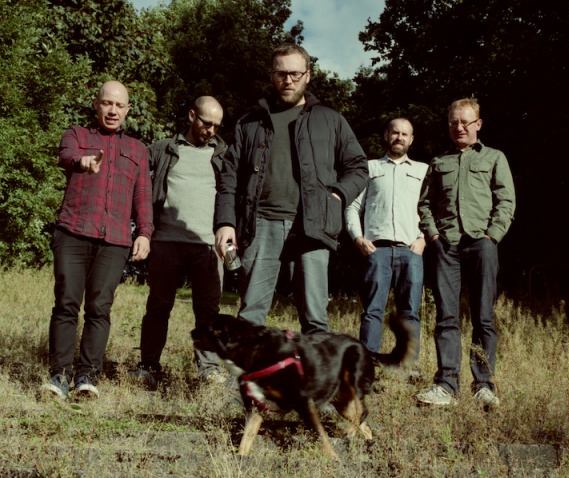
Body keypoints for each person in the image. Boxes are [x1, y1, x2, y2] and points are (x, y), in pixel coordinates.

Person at [214, 44, 368, 333]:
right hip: (260, 224)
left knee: (315, 320)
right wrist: (225, 222)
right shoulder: (250, 122)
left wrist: (337, 195)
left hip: (312, 227)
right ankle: (252, 366)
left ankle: (314, 365)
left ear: (307, 75)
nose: (288, 80)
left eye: (295, 74)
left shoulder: (330, 120)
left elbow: (358, 167)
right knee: (250, 317)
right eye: (281, 73)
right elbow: (229, 176)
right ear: (271, 76)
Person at [41, 81, 153, 400]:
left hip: (115, 240)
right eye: (107, 103)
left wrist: (144, 233)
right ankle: (59, 376)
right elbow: (66, 155)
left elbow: (143, 195)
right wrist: (83, 162)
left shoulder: (138, 149)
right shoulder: (77, 135)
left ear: (128, 110)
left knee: (99, 308)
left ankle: (87, 376)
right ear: (96, 104)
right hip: (73, 232)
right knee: (66, 304)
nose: (113, 110)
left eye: (119, 105)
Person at [416, 98, 515, 407]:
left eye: (465, 122)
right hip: (446, 247)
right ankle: (446, 385)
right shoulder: (438, 161)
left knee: (483, 317)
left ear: (478, 124)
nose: (459, 127)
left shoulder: (495, 157)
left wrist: (492, 236)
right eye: (454, 122)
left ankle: (484, 385)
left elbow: (506, 201)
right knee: (446, 317)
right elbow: (424, 204)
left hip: (481, 245)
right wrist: (433, 235)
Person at [129, 96, 228, 388]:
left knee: (208, 312)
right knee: (158, 307)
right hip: (166, 242)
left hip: (208, 246)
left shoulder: (224, 154)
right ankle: (148, 365)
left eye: (217, 126)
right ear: (191, 116)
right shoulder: (163, 149)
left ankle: (209, 369)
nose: (211, 130)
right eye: (207, 123)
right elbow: (132, 172)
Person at [344, 118, 427, 361]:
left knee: (410, 312)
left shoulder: (422, 170)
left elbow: (432, 209)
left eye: (405, 134)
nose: (399, 137)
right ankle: (368, 365)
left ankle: (408, 366)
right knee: (372, 311)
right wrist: (358, 238)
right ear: (386, 135)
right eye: (395, 133)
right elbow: (352, 206)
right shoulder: (369, 168)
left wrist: (423, 239)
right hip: (376, 251)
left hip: (411, 250)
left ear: (411, 139)